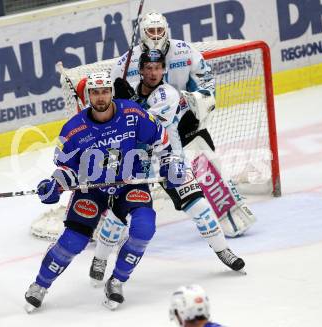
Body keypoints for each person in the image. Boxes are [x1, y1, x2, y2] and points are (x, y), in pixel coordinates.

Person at [25, 71, 185, 312]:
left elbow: (163, 142)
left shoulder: (132, 114)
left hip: (129, 183)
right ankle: (40, 285)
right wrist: (55, 185)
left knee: (144, 228)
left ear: (112, 91)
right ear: (88, 95)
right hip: (93, 189)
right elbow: (67, 170)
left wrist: (169, 163)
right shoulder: (73, 130)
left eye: (105, 91)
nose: (100, 97)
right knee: (73, 242)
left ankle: (117, 281)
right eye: (95, 92)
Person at [88, 49, 245, 286]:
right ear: (140, 70)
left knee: (199, 206)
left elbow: (147, 127)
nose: (153, 73)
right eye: (148, 68)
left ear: (164, 70)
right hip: (135, 162)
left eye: (158, 67)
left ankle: (223, 250)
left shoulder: (168, 94)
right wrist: (117, 105)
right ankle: (100, 258)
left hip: (168, 158)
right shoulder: (126, 96)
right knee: (118, 215)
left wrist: (127, 104)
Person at [110, 11, 256, 238]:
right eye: (151, 31)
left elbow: (206, 79)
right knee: (131, 176)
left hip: (182, 121)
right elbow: (111, 103)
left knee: (205, 159)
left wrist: (200, 102)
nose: (156, 35)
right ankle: (111, 223)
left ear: (167, 31)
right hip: (145, 132)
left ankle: (231, 212)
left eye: (160, 30)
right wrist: (119, 98)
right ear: (142, 33)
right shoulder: (123, 63)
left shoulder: (184, 51)